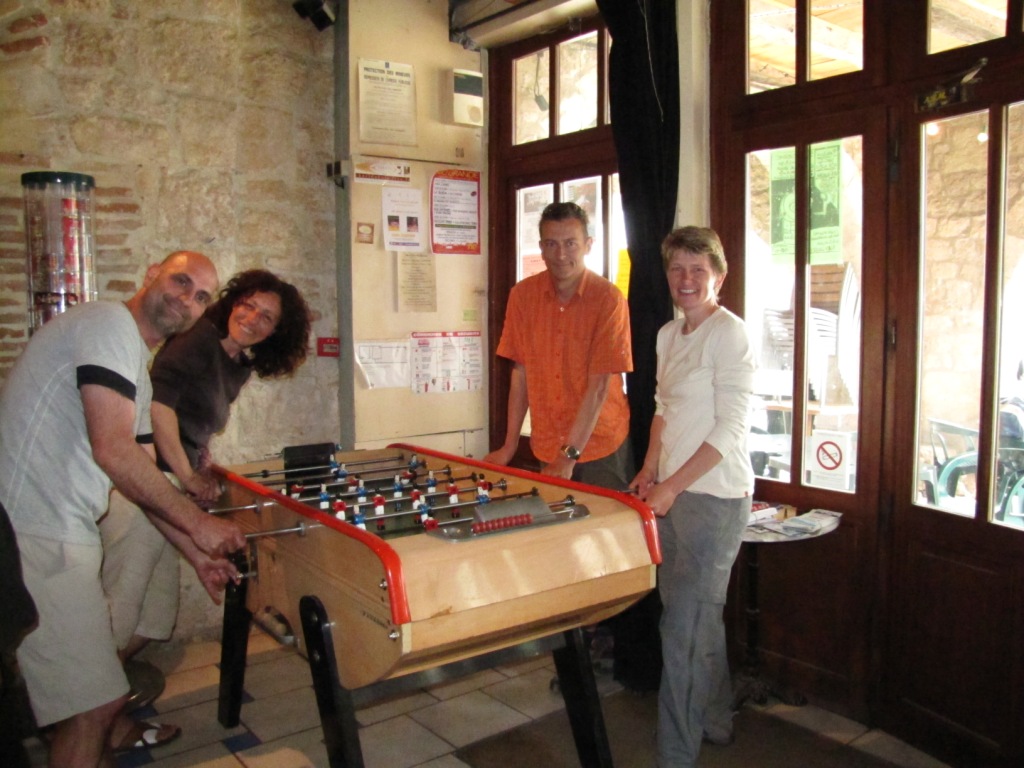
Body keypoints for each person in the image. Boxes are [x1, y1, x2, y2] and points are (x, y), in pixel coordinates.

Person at [0, 251, 247, 768]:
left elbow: (142, 479)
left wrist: (195, 553)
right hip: (33, 532)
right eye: (181, 281)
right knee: (94, 705)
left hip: (53, 528)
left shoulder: (135, 362)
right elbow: (113, 449)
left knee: (95, 702)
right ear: (151, 273)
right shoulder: (108, 322)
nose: (187, 299)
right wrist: (199, 523)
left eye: (201, 297)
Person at [101, 270, 312, 671]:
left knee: (155, 615)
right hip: (146, 485)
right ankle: (92, 696)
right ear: (233, 302)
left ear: (276, 332)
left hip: (170, 486)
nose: (251, 317)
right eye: (248, 304)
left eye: (266, 316)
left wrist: (201, 463)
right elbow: (159, 406)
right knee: (124, 603)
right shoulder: (198, 339)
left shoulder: (238, 364)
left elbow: (195, 421)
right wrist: (187, 475)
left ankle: (105, 684)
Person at [629, 226, 755, 767]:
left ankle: (676, 755)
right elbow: (663, 408)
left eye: (697, 270)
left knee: (682, 629)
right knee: (695, 618)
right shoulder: (667, 334)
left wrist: (671, 485)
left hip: (715, 501)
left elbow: (730, 429)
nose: (686, 279)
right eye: (677, 268)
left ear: (718, 278)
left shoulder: (730, 334)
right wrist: (649, 469)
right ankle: (717, 717)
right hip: (671, 495)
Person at [485, 201, 632, 488]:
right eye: (551, 244)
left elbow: (599, 386)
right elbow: (521, 374)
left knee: (603, 518)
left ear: (588, 245)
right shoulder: (522, 296)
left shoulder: (608, 299)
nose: (561, 255)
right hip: (548, 444)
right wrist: (509, 446)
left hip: (602, 445)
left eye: (570, 244)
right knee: (557, 517)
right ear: (541, 248)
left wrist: (568, 456)